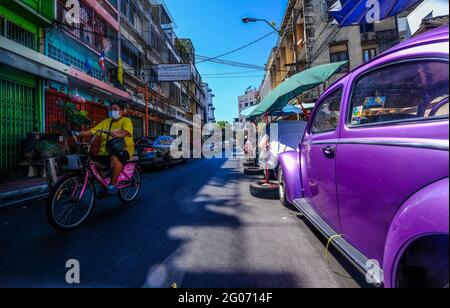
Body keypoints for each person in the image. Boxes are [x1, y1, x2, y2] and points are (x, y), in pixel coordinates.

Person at [80, 103, 134, 190]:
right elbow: (94, 131)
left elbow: (125, 132)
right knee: (91, 163)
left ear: (122, 111)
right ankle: (106, 175)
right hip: (105, 151)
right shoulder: (106, 122)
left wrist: (116, 133)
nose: (113, 111)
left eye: (115, 109)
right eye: (111, 109)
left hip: (123, 149)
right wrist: (80, 134)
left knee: (114, 157)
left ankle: (112, 184)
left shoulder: (126, 121)